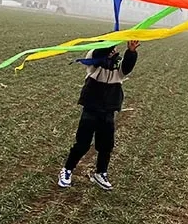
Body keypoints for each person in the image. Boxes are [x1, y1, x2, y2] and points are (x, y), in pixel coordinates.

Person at [57, 40, 139, 190]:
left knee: (106, 145)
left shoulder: (118, 61)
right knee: (82, 143)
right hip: (92, 106)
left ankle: (100, 173)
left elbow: (126, 69)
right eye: (110, 46)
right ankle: (67, 170)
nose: (113, 49)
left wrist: (131, 52)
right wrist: (108, 47)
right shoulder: (94, 56)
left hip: (108, 108)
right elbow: (98, 54)